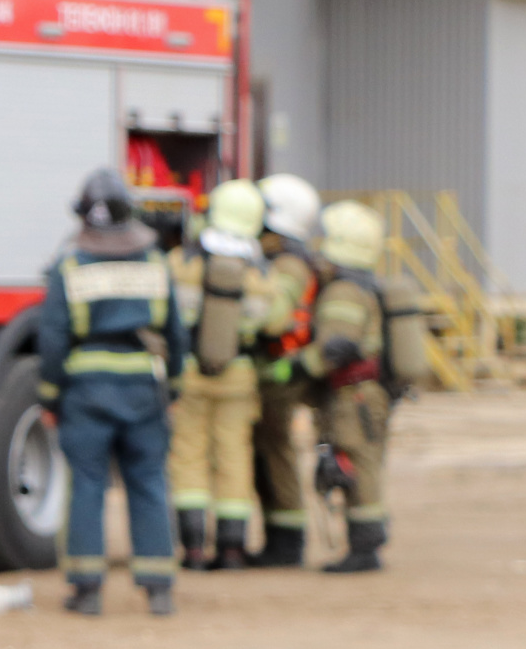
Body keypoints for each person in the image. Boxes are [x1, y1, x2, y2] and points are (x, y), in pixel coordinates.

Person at [38, 168, 186, 617]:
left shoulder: (69, 266)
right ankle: (158, 588)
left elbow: (53, 338)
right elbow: (177, 333)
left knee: (87, 486)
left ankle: (87, 591)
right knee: (149, 484)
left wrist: (49, 396)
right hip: (143, 391)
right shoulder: (156, 263)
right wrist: (174, 385)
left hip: (86, 394)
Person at [164, 180, 267, 571]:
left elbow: (166, 314)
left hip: (190, 374)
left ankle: (192, 548)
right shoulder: (257, 272)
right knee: (233, 459)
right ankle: (232, 549)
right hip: (238, 377)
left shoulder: (183, 262)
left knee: (188, 456)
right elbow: (272, 322)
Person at [297, 201, 393, 574]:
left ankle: (365, 549)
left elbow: (335, 347)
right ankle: (366, 542)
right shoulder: (362, 284)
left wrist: (291, 370)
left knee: (358, 464)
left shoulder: (343, 292)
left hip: (354, 396)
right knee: (362, 462)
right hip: (363, 393)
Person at [247, 173, 323, 568]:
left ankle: (288, 542)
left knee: (276, 451)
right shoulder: (282, 257)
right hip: (274, 366)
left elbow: (275, 317)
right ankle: (278, 537)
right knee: (266, 451)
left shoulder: (289, 263)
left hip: (282, 370)